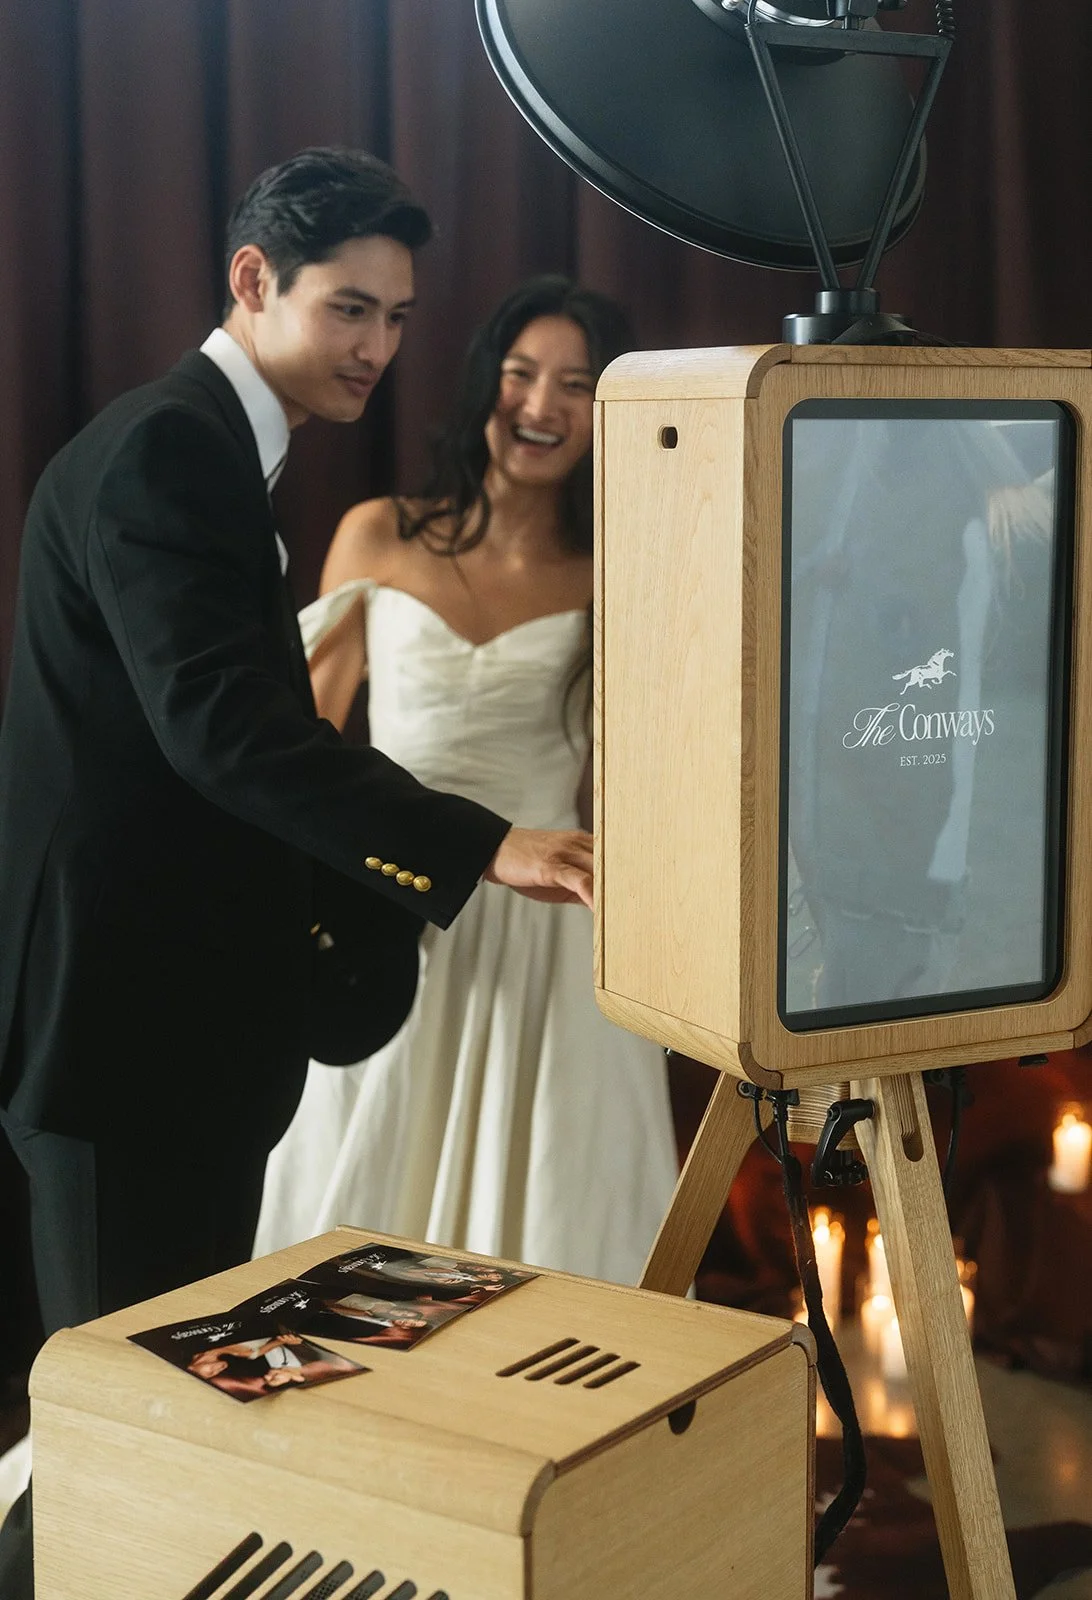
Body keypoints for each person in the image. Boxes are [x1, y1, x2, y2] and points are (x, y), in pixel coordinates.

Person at [0, 150, 593, 1596]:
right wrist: (480, 842)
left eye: (395, 318)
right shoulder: (167, 450)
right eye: (349, 310)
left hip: (179, 1033)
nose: (379, 350)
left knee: (171, 1408)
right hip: (117, 1039)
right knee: (118, 1425)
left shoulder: (211, 448)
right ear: (250, 281)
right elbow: (226, 733)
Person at [254, 275, 678, 1283]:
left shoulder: (623, 566)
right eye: (522, 374)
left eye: (576, 384)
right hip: (388, 912)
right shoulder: (378, 535)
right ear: (483, 380)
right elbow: (301, 757)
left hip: (553, 926)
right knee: (349, 1215)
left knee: (563, 1220)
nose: (540, 406)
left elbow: (634, 777)